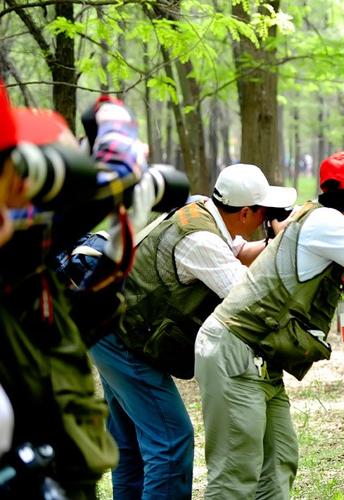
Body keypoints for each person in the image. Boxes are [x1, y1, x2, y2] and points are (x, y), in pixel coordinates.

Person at [194, 150, 344, 498]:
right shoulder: (326, 223)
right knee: (235, 476)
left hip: (260, 357)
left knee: (278, 462)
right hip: (235, 351)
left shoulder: (333, 228)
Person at [89, 162, 296, 499]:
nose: (266, 219)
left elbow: (239, 252)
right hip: (123, 340)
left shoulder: (201, 208)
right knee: (172, 440)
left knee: (130, 444)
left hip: (110, 323)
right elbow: (249, 297)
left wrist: (277, 240)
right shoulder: (200, 241)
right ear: (245, 212)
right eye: (264, 212)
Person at [0, 80, 147, 499]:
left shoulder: (28, 272)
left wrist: (105, 283)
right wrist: (110, 113)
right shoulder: (20, 254)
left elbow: (51, 348)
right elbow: (119, 171)